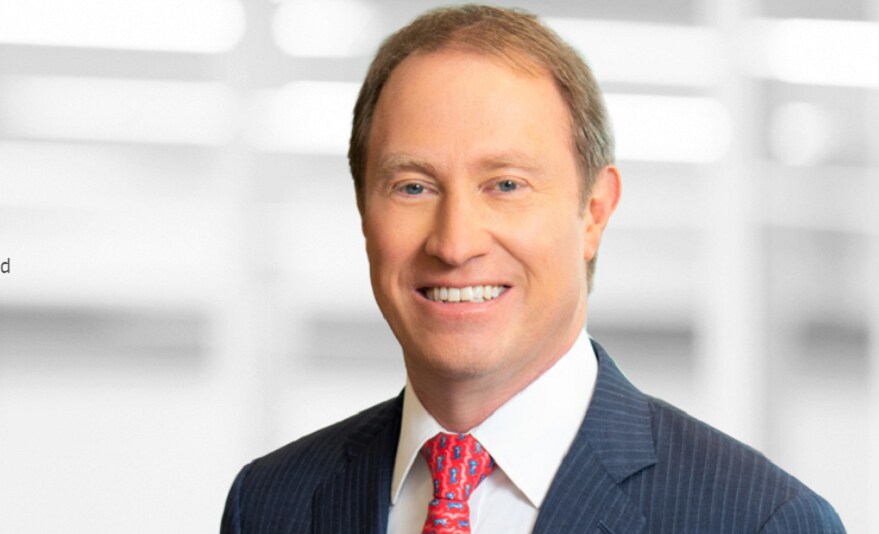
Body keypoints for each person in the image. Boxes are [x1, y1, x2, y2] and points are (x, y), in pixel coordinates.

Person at [221, 5, 845, 533]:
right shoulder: (270, 504)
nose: (455, 243)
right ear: (364, 212)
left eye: (506, 184)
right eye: (413, 187)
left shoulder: (760, 520)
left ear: (594, 212)